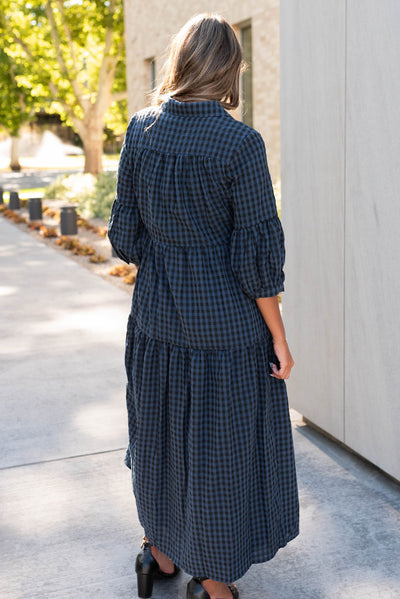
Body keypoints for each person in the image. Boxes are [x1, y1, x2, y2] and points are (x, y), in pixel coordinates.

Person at [108, 12, 299, 599]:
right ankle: (213, 586)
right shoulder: (239, 143)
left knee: (160, 436)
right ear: (229, 69)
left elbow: (124, 237)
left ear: (180, 61)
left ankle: (158, 556)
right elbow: (257, 259)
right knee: (219, 454)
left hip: (157, 320)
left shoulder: (140, 131)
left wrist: (170, 255)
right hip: (226, 331)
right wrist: (281, 339)